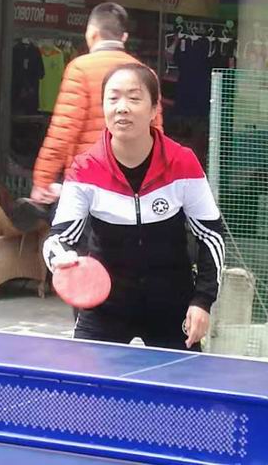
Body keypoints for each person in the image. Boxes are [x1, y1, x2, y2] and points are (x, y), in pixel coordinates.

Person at [42, 63, 224, 350]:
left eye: (134, 98)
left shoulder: (183, 163)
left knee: (179, 381)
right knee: (83, 378)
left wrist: (203, 301)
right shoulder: (84, 169)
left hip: (171, 304)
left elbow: (211, 235)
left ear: (154, 110)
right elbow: (58, 238)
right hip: (104, 306)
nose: (122, 108)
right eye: (113, 98)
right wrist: (60, 259)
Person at [29, 2, 162, 209]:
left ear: (91, 34)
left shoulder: (80, 69)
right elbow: (156, 135)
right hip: (133, 185)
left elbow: (63, 131)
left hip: (88, 184)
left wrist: (43, 181)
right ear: (124, 37)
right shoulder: (146, 75)